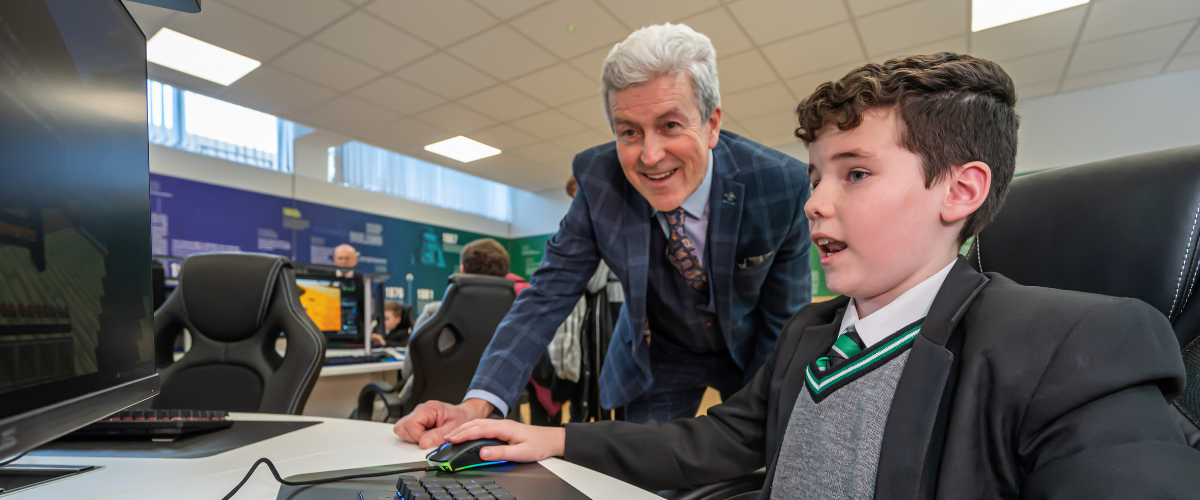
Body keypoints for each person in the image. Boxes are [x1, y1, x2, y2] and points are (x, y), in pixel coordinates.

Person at [437, 53, 1200, 498]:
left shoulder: (1078, 346)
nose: (815, 204)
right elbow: (708, 446)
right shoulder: (811, 334)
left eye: (856, 174)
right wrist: (551, 440)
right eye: (815, 177)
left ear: (959, 191)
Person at [396, 23, 812, 446]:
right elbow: (544, 298)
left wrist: (765, 415)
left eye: (670, 124)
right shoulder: (600, 184)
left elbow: (786, 322)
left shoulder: (779, 185)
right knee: (646, 477)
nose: (650, 157)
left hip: (750, 351)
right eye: (629, 131)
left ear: (712, 124)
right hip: (660, 358)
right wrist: (476, 405)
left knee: (760, 459)